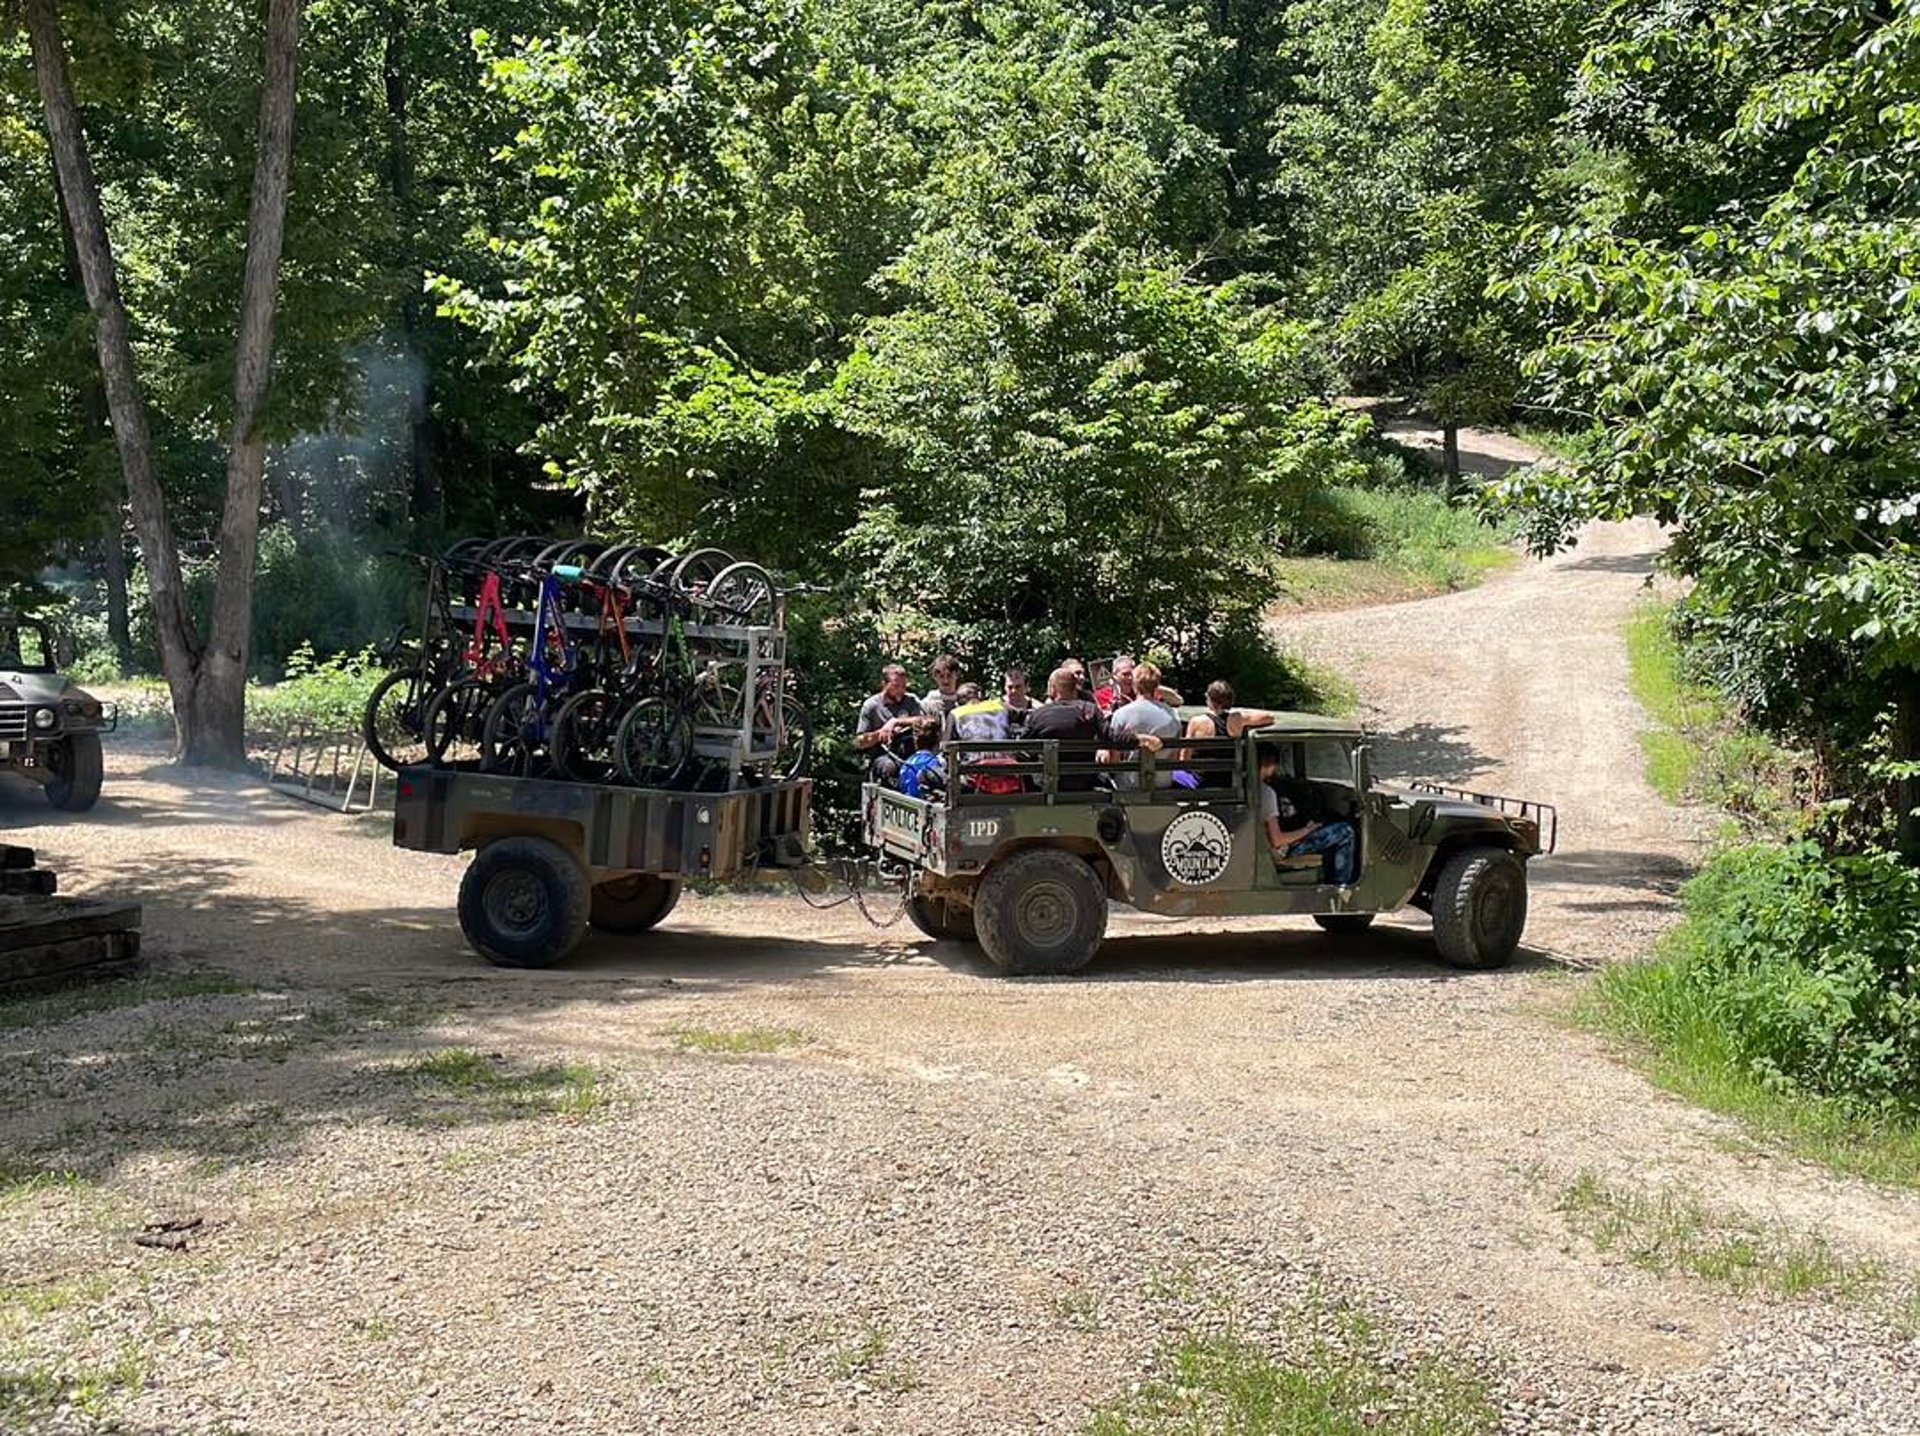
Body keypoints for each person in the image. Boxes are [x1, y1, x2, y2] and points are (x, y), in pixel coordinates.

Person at [1023, 665, 1164, 790]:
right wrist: (1141, 739)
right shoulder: (1089, 710)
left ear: (1052, 689)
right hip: (1084, 781)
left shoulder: (1037, 715)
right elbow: (1112, 737)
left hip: (1047, 784)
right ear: (1075, 688)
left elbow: (1023, 748)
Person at [1258, 750, 1356, 885]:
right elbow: (1277, 840)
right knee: (1345, 831)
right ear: (1269, 765)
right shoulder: (1266, 793)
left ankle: (1328, 883)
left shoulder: (1257, 789)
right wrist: (1307, 830)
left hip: (1277, 848)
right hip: (1284, 851)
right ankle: (1342, 889)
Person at [1105, 661, 1183, 789]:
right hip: (1163, 782)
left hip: (1129, 784)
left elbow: (1114, 760)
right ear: (1157, 685)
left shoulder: (1121, 714)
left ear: (1135, 684)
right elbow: (1175, 757)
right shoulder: (1173, 715)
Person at [854, 664, 925, 785]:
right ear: (884, 684)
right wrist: (881, 734)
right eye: (896, 686)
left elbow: (924, 720)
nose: (901, 690)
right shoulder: (871, 705)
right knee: (889, 767)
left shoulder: (911, 701)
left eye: (904, 686)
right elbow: (859, 742)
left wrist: (896, 722)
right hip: (883, 756)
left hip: (910, 753)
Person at [1183, 680, 1275, 741]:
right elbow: (1269, 717)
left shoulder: (1196, 722)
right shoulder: (1237, 719)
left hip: (1201, 770)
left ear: (1211, 699)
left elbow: (1185, 755)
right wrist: (1242, 711)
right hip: (1232, 770)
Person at [897, 723, 946, 798]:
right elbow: (945, 782)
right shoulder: (933, 762)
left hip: (907, 801)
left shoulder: (907, 762)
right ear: (937, 740)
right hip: (923, 802)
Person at [921, 654, 962, 726]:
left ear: (957, 675)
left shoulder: (963, 701)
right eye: (941, 676)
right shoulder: (927, 703)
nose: (946, 680)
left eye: (949, 675)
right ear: (935, 677)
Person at [1001, 666, 1032, 731]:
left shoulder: (1036, 709)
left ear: (1026, 687)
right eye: (1010, 687)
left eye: (1018, 687)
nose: (1013, 691)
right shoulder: (997, 708)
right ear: (1005, 687)